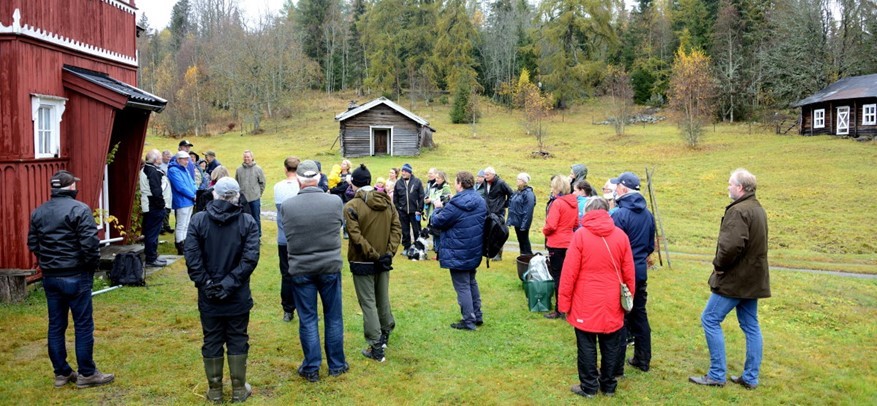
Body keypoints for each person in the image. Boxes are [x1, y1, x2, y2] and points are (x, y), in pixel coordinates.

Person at [28, 170, 115, 389]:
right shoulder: (80, 209)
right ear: (69, 188)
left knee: (56, 325)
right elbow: (89, 244)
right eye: (74, 185)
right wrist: (90, 267)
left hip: (51, 276)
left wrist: (47, 262)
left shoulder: (39, 212)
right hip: (76, 275)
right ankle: (86, 373)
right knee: (83, 325)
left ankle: (62, 373)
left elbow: (33, 243)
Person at [689, 169, 769, 390]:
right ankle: (750, 378)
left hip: (735, 279)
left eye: (730, 184)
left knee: (710, 319)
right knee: (751, 326)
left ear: (740, 188)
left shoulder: (739, 211)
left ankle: (716, 374)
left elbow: (731, 246)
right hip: (752, 278)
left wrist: (719, 265)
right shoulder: (757, 208)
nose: (728, 187)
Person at [185, 177, 260, 403]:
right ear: (236, 196)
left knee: (213, 338)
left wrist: (213, 284)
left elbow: (192, 258)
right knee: (236, 336)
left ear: (215, 194)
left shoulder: (243, 222)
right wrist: (212, 284)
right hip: (229, 292)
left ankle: (222, 389)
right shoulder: (242, 221)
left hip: (221, 292)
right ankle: (227, 389)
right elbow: (192, 256)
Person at [559, 197, 635, 398]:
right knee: (610, 344)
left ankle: (589, 386)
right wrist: (629, 299)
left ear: (588, 211)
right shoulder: (620, 236)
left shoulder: (581, 236)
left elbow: (569, 273)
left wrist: (564, 302)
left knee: (586, 344)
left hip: (586, 300)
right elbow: (629, 273)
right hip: (611, 300)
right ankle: (608, 385)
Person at [280, 160, 348, 382]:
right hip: (328, 267)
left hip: (301, 269)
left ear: (298, 179)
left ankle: (311, 368)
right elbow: (339, 224)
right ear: (318, 178)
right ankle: (336, 365)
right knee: (333, 317)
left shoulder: (288, 206)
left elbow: (287, 233)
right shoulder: (334, 202)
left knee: (308, 319)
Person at [343, 164, 402, 362]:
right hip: (381, 260)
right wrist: (387, 254)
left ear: (354, 183)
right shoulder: (388, 203)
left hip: (363, 261)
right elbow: (396, 230)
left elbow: (355, 236)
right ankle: (384, 333)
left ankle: (376, 345)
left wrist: (379, 255)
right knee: (381, 298)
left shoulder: (352, 206)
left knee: (368, 302)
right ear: (369, 181)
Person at [610, 171, 656, 375]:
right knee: (639, 314)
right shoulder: (648, 215)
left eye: (617, 187)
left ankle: (616, 366)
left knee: (620, 317)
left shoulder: (619, 215)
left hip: (622, 273)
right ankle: (642, 359)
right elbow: (649, 246)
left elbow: (613, 247)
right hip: (640, 270)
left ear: (623, 188)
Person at [430, 171, 488, 330]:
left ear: (460, 184)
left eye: (456, 182)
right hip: (474, 248)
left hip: (458, 250)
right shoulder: (480, 200)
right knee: (471, 282)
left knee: (462, 286)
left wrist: (437, 208)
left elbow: (437, 221)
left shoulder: (456, 204)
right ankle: (477, 315)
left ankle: (469, 320)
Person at [542, 178, 576, 319]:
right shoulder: (573, 203)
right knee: (568, 275)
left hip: (556, 243)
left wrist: (545, 231)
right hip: (569, 242)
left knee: (558, 276)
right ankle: (568, 306)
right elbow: (576, 223)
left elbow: (551, 225)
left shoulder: (558, 203)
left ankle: (560, 309)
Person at [274, 157, 301, 322]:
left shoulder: (278, 187)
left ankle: (288, 310)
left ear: (285, 169)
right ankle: (305, 308)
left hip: (284, 237)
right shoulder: (302, 186)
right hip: (301, 238)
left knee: (286, 274)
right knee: (304, 273)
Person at [140, 149, 170, 267]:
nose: (161, 158)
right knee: (152, 233)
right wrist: (161, 205)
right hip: (153, 206)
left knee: (152, 232)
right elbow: (156, 191)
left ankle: (153, 256)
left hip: (150, 205)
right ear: (155, 159)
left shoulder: (148, 169)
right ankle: (151, 258)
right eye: (159, 156)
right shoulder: (151, 171)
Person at [168, 151, 197, 255]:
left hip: (189, 200)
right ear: (178, 159)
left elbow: (192, 183)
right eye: (185, 159)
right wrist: (193, 196)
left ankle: (185, 244)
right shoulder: (173, 170)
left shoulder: (184, 169)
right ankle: (180, 245)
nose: (187, 161)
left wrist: (196, 193)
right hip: (182, 201)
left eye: (187, 159)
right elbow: (180, 187)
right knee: (181, 224)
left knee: (187, 224)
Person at [393, 163, 425, 254]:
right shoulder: (398, 183)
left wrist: (419, 209)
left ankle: (418, 247)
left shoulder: (417, 182)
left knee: (416, 230)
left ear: (410, 172)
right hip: (402, 211)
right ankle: (406, 247)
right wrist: (399, 207)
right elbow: (395, 198)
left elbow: (421, 196)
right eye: (402, 171)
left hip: (415, 212)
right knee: (405, 230)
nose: (403, 173)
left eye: (405, 171)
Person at [483, 167, 513, 260]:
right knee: (488, 232)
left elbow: (511, 193)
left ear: (493, 174)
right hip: (488, 211)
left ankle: (498, 254)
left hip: (498, 212)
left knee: (498, 232)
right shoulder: (485, 182)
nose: (485, 176)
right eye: (485, 174)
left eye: (487, 174)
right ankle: (488, 251)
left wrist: (505, 204)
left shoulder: (501, 183)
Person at [235, 150, 266, 237]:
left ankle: (257, 236)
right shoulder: (239, 169)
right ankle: (245, 236)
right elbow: (236, 183)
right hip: (243, 199)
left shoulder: (258, 169)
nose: (246, 158)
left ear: (252, 157)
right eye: (245, 157)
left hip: (254, 199)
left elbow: (262, 183)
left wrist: (259, 193)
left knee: (256, 218)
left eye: (248, 157)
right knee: (243, 218)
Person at [507, 172, 536, 255]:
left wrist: (524, 224)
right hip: (517, 221)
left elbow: (528, 210)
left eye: (519, 179)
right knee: (520, 239)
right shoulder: (517, 192)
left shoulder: (528, 194)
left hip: (523, 221)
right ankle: (523, 255)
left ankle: (528, 255)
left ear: (524, 181)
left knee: (524, 239)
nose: (517, 181)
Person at [424, 170, 452, 258]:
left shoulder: (446, 187)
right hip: (432, 211)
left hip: (441, 212)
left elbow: (445, 200)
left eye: (438, 178)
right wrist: (427, 199)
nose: (436, 179)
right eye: (436, 178)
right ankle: (436, 250)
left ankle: (440, 253)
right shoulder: (434, 186)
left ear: (443, 178)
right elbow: (430, 195)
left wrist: (431, 200)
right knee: (433, 231)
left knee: (439, 232)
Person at [160, 150, 174, 234]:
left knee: (168, 207)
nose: (169, 157)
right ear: (162, 156)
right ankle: (161, 226)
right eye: (167, 156)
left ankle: (166, 225)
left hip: (170, 189)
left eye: (170, 156)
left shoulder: (170, 165)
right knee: (163, 207)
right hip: (162, 189)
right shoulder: (160, 166)